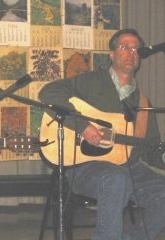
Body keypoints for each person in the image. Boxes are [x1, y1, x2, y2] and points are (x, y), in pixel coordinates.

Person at [38, 28, 165, 240]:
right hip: (85, 167)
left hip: (130, 167)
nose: (131, 52)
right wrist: (83, 126)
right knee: (116, 178)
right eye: (124, 47)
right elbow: (48, 93)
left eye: (135, 48)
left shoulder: (143, 104)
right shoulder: (90, 82)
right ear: (112, 54)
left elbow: (150, 147)